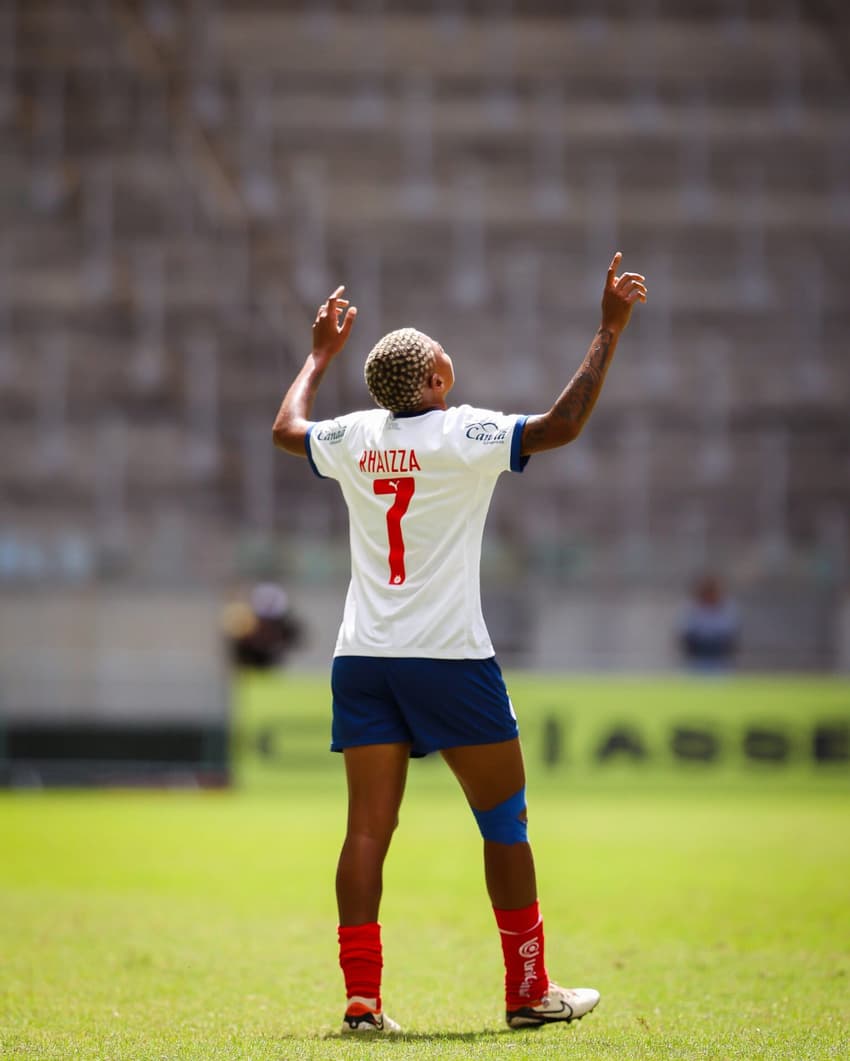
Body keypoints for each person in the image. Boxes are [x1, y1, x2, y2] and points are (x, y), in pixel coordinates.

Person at [272, 252, 647, 1034]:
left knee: (368, 830)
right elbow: (563, 425)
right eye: (443, 355)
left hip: (364, 656)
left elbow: (285, 430)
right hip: (448, 656)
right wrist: (608, 330)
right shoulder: (461, 431)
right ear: (437, 378)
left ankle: (364, 1003)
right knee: (503, 820)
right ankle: (528, 991)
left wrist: (316, 356)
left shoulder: (355, 435)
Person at [678, 573, 740, 673]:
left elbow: (730, 634)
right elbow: (686, 634)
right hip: (697, 659)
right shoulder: (692, 609)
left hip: (720, 659)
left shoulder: (726, 609)